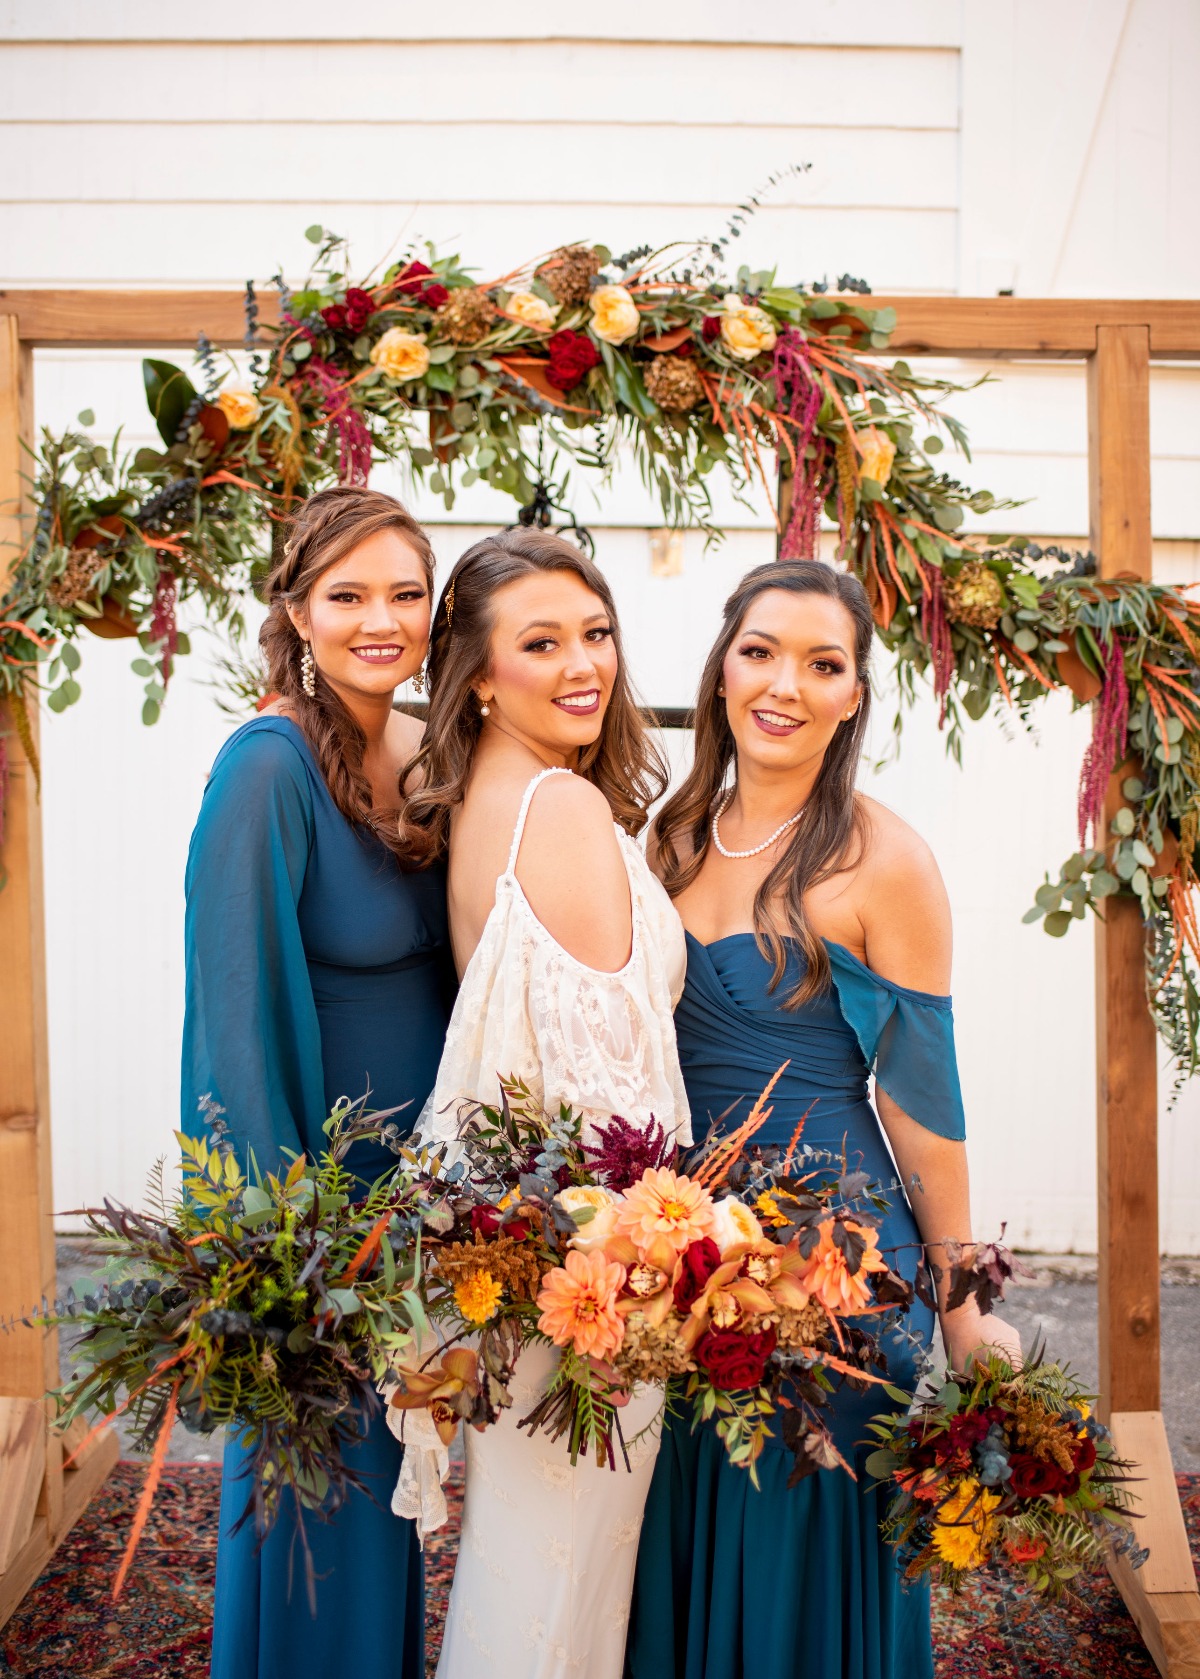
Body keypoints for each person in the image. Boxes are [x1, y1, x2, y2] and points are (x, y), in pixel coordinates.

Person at [626, 559, 1022, 1679]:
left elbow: (923, 1108)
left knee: (801, 1554)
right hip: (679, 1251)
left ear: (854, 694)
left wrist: (958, 1315)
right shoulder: (673, 831)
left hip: (832, 1263)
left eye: (822, 663)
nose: (784, 684)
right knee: (691, 1531)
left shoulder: (882, 862)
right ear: (720, 668)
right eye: (760, 651)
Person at [399, 527, 691, 1679]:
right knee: (566, 1573)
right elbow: (613, 1084)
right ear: (477, 676)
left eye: (597, 631)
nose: (584, 663)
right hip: (599, 1275)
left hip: (530, 1256)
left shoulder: (484, 795)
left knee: (530, 1556)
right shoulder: (559, 808)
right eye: (541, 643)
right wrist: (679, 1247)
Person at [182, 485, 454, 1679]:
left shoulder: (422, 749)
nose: (380, 618)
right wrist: (278, 1250)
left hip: (418, 1193)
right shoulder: (265, 765)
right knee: (314, 1495)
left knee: (386, 1495)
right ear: (295, 610)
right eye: (348, 594)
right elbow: (231, 1017)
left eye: (405, 591)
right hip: (311, 1210)